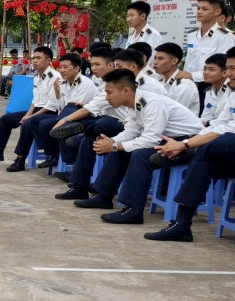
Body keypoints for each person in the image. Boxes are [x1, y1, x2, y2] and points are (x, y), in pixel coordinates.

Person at [144, 44, 235, 241]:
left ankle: (185, 154)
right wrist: (193, 142)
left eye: (233, 69)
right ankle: (181, 225)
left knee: (227, 140)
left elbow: (234, 129)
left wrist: (185, 144)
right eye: (227, 68)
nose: (228, 73)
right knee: (205, 161)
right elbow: (218, 124)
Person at [71, 68, 203, 223]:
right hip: (167, 141)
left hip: (187, 144)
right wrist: (112, 142)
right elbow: (131, 131)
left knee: (140, 155)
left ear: (126, 91)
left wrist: (114, 146)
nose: (106, 97)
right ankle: (103, 196)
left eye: (109, 92)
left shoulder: (152, 104)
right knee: (122, 148)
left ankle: (133, 210)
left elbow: (150, 140)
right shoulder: (134, 104)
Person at [50, 48, 165, 200]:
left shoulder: (149, 87)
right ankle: (79, 186)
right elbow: (94, 106)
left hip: (150, 131)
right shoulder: (115, 83)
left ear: (133, 67)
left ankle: (83, 135)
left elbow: (153, 124)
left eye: (118, 66)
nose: (115, 69)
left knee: (103, 125)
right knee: (91, 139)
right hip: (131, 127)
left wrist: (114, 144)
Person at [0, 44, 62, 170]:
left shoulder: (55, 77)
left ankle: (20, 159)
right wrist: (27, 114)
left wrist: (31, 116)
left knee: (28, 123)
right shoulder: (37, 76)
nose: (35, 61)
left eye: (39, 58)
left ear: (48, 60)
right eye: (34, 58)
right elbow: (35, 101)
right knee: (6, 119)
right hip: (36, 110)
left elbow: (52, 104)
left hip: (50, 112)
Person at [27, 52, 97, 163]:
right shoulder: (62, 83)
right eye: (60, 67)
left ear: (76, 68)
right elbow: (60, 105)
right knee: (35, 121)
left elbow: (78, 107)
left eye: (66, 67)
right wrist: (57, 92)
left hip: (83, 116)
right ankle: (53, 153)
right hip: (66, 115)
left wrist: (62, 120)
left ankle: (66, 160)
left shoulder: (85, 83)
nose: (62, 70)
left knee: (47, 124)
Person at [181, 0, 235, 99]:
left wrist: (193, 75)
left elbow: (222, 66)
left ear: (217, 11)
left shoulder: (224, 36)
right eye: (198, 8)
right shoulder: (192, 35)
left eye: (205, 9)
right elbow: (189, 61)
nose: (199, 11)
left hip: (209, 86)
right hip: (188, 85)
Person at [153, 43, 201, 114]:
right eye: (155, 58)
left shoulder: (184, 85)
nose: (155, 62)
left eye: (160, 58)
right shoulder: (159, 81)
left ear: (174, 61)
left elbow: (173, 114)